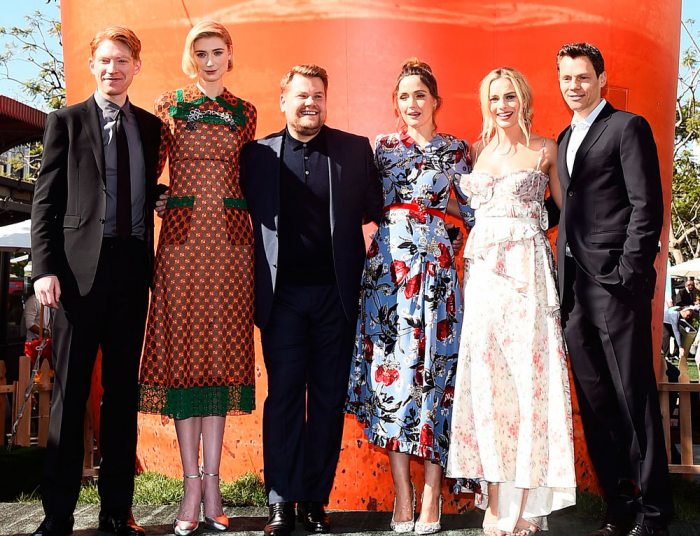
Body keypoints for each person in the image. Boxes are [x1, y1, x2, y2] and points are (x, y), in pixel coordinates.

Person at [238, 64, 382, 536]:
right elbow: (223, 202)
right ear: (283, 100)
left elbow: (382, 210)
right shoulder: (256, 155)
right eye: (302, 95)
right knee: (282, 397)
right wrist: (164, 197)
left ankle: (315, 500)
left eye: (318, 96)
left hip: (335, 300)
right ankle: (282, 501)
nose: (310, 104)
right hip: (281, 301)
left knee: (326, 400)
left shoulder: (354, 150)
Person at [30, 26, 162, 536]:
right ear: (93, 66)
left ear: (136, 67)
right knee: (70, 395)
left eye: (122, 60)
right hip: (75, 275)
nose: (113, 69)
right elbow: (45, 199)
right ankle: (57, 515)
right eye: (105, 60)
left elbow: (139, 187)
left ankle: (116, 512)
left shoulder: (149, 126)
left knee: (122, 395)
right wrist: (44, 268)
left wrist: (158, 197)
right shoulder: (65, 121)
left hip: (131, 271)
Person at [138, 20, 257, 536]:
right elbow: (148, 173)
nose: (210, 61)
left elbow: (252, 174)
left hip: (231, 245)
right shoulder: (169, 105)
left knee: (221, 357)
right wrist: (158, 197)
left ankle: (214, 485)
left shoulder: (245, 111)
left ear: (230, 55)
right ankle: (191, 484)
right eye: (201, 53)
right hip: (182, 244)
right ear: (192, 57)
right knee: (184, 356)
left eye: (217, 52)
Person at [446, 67, 575, 536]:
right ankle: (497, 497)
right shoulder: (475, 152)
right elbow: (463, 210)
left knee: (528, 383)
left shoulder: (546, 149)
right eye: (494, 97)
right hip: (483, 276)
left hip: (527, 276)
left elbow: (569, 211)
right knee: (488, 384)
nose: (502, 105)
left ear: (524, 99)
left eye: (510, 96)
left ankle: (528, 502)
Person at [345, 59, 473, 535]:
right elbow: (360, 203)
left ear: (436, 101)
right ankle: (403, 493)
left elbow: (472, 207)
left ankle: (433, 494)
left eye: (420, 95)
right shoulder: (382, 148)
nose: (412, 104)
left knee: (437, 380)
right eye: (404, 96)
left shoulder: (457, 150)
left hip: (438, 278)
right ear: (395, 104)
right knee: (393, 382)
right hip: (388, 279)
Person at [555, 42, 672, 536]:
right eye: (566, 78)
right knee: (596, 403)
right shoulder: (563, 137)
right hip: (573, 292)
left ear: (601, 79)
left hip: (615, 288)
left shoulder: (627, 127)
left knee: (634, 400)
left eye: (583, 76)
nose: (574, 85)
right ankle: (619, 508)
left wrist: (627, 272)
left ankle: (655, 515)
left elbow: (647, 206)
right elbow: (569, 206)